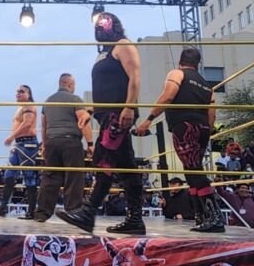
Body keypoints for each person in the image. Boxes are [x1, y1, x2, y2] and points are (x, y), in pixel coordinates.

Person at [57, 12, 143, 235]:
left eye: (103, 23)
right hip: (107, 114)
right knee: (128, 169)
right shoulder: (106, 53)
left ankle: (88, 213)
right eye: (96, 25)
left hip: (118, 114)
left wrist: (129, 107)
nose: (98, 28)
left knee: (103, 159)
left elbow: (134, 76)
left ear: (114, 24)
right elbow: (108, 88)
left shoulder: (123, 45)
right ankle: (135, 220)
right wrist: (90, 109)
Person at [133, 47, 223, 232]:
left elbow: (168, 96)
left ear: (181, 61)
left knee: (195, 171)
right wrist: (209, 129)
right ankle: (200, 216)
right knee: (192, 170)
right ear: (197, 64)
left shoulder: (177, 73)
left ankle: (214, 218)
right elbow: (211, 113)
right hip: (202, 128)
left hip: (185, 126)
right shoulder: (207, 85)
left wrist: (148, 120)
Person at [34, 73, 93, 222]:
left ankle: (42, 213)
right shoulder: (75, 99)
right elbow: (83, 121)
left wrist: (45, 144)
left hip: (52, 142)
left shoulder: (48, 101)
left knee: (50, 178)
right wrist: (90, 144)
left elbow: (44, 126)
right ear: (70, 84)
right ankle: (73, 211)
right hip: (70, 142)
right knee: (74, 178)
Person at [0, 85, 39, 218]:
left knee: (28, 177)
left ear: (29, 94)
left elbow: (27, 123)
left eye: (22, 92)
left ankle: (32, 211)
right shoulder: (21, 108)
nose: (18, 94)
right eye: (17, 92)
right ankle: (3, 207)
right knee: (9, 175)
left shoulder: (29, 106)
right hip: (20, 144)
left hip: (28, 144)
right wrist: (14, 141)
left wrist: (11, 137)